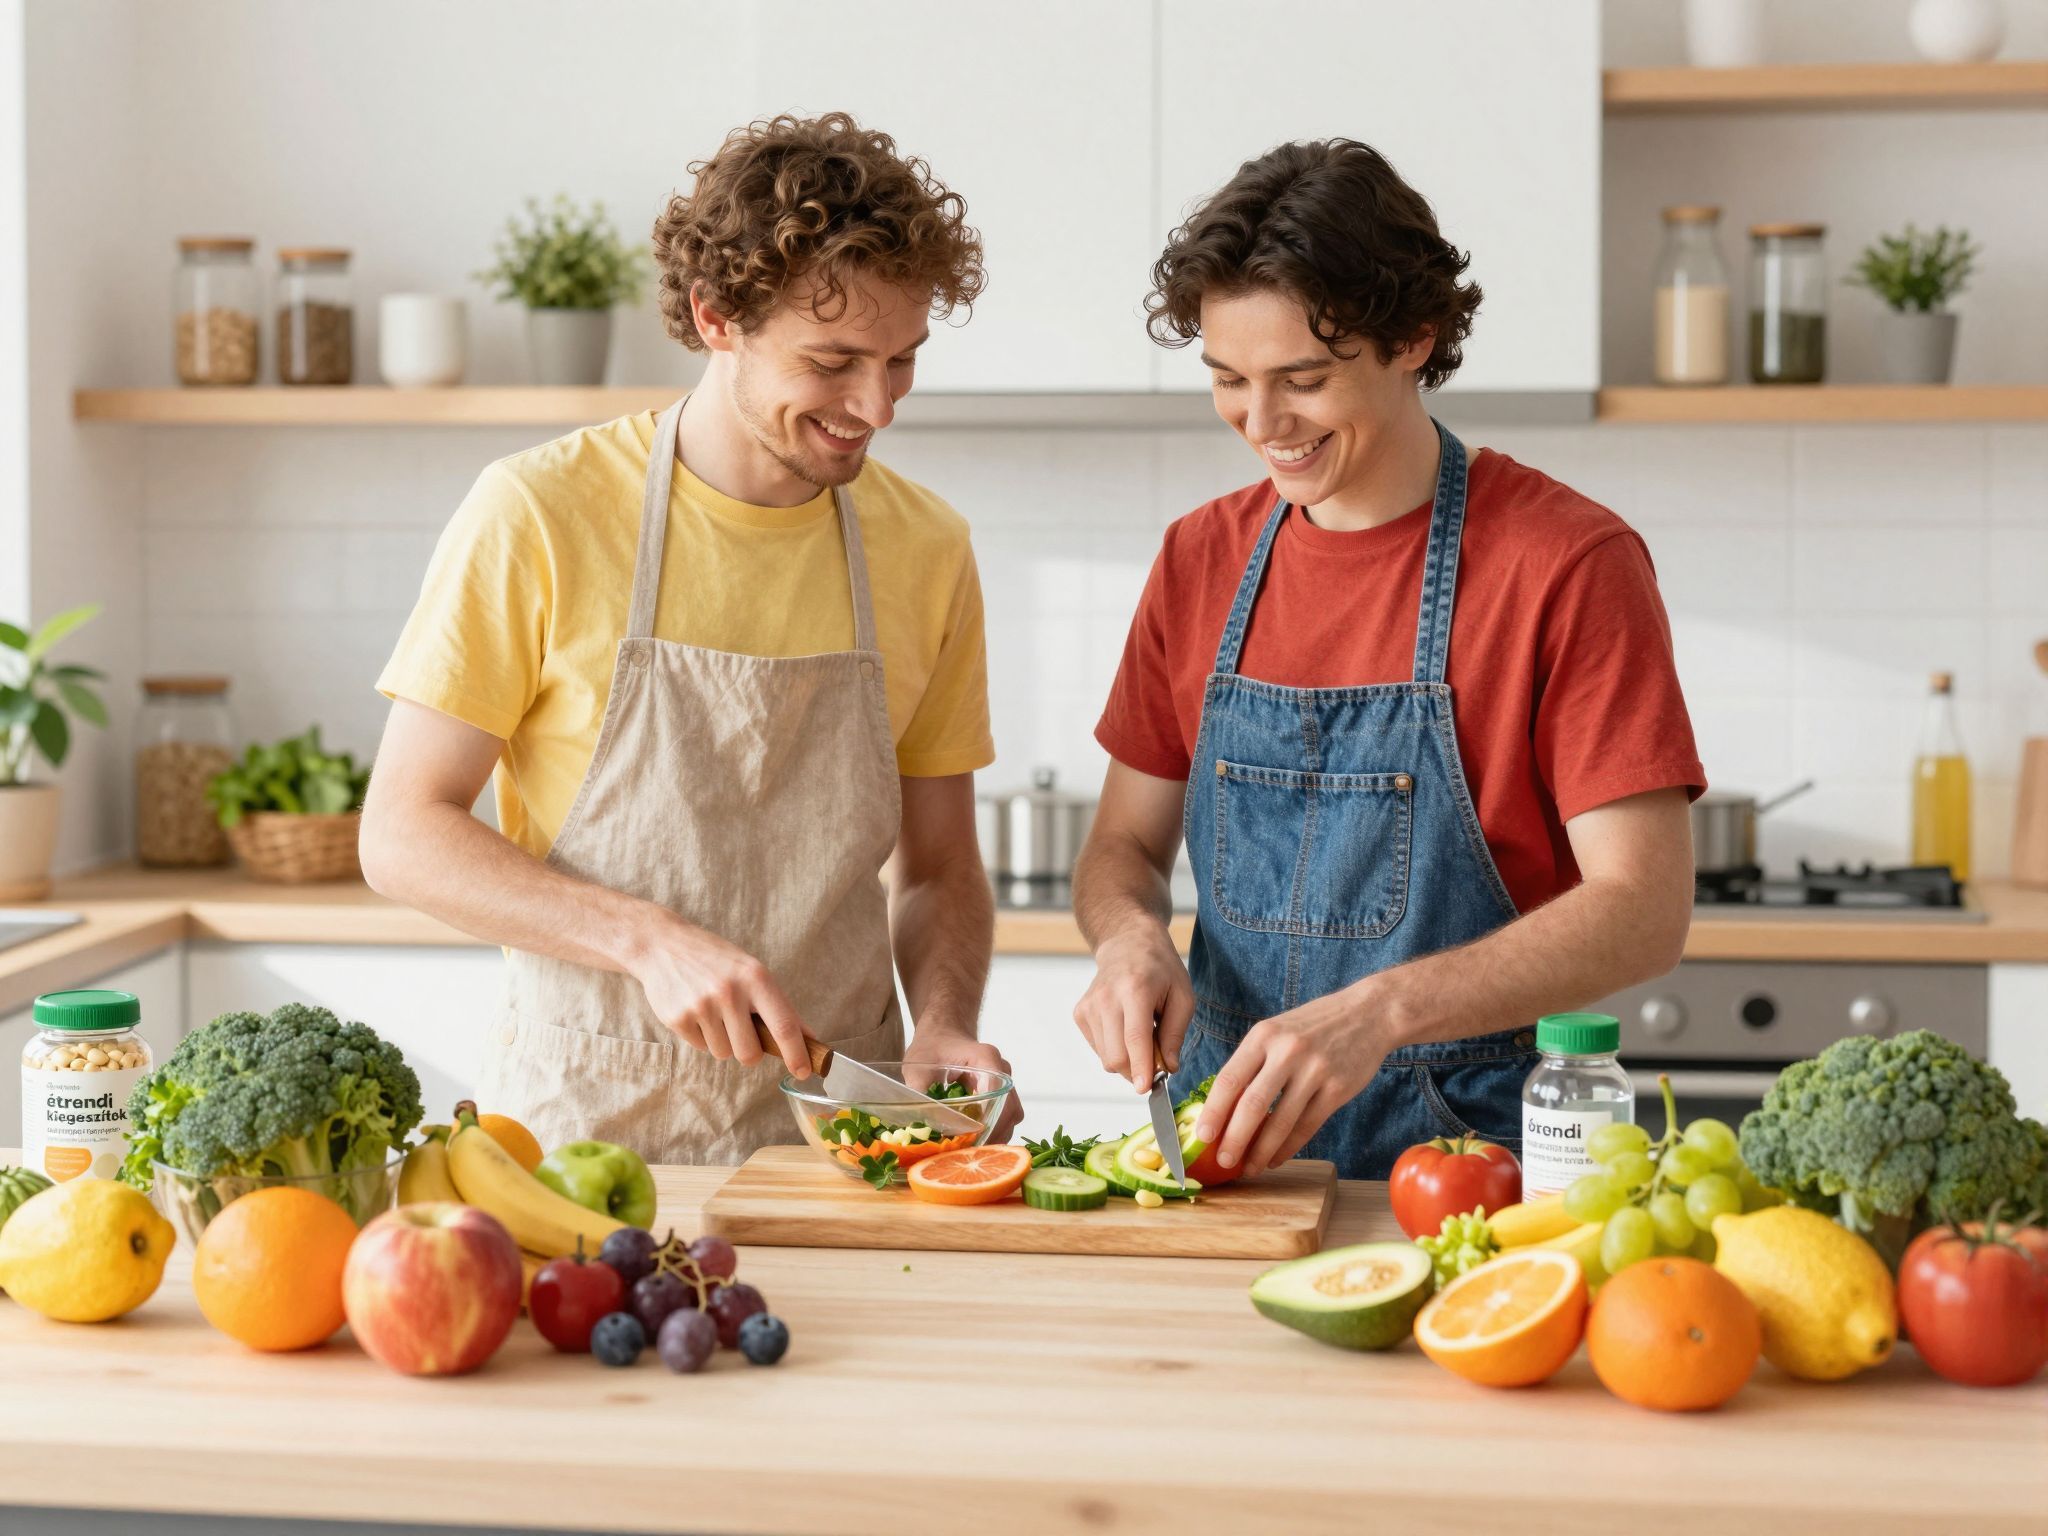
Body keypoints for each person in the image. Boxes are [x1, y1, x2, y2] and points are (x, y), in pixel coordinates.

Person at [361, 113, 1019, 1163]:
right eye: (834, 361)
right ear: (716, 319)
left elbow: (939, 866)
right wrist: (643, 940)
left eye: (902, 361)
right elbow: (399, 832)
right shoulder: (540, 511)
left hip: (840, 1137)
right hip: (586, 1138)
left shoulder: (925, 545)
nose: (876, 406)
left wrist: (942, 1019)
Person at [1070, 139, 1703, 1180]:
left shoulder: (1566, 563)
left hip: (1467, 1157)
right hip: (1220, 1151)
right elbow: (1121, 849)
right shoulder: (1199, 558)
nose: (1261, 424)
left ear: (1414, 338)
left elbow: (1642, 910)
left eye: (1302, 380)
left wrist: (1381, 1012)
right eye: (1227, 380)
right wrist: (1127, 938)